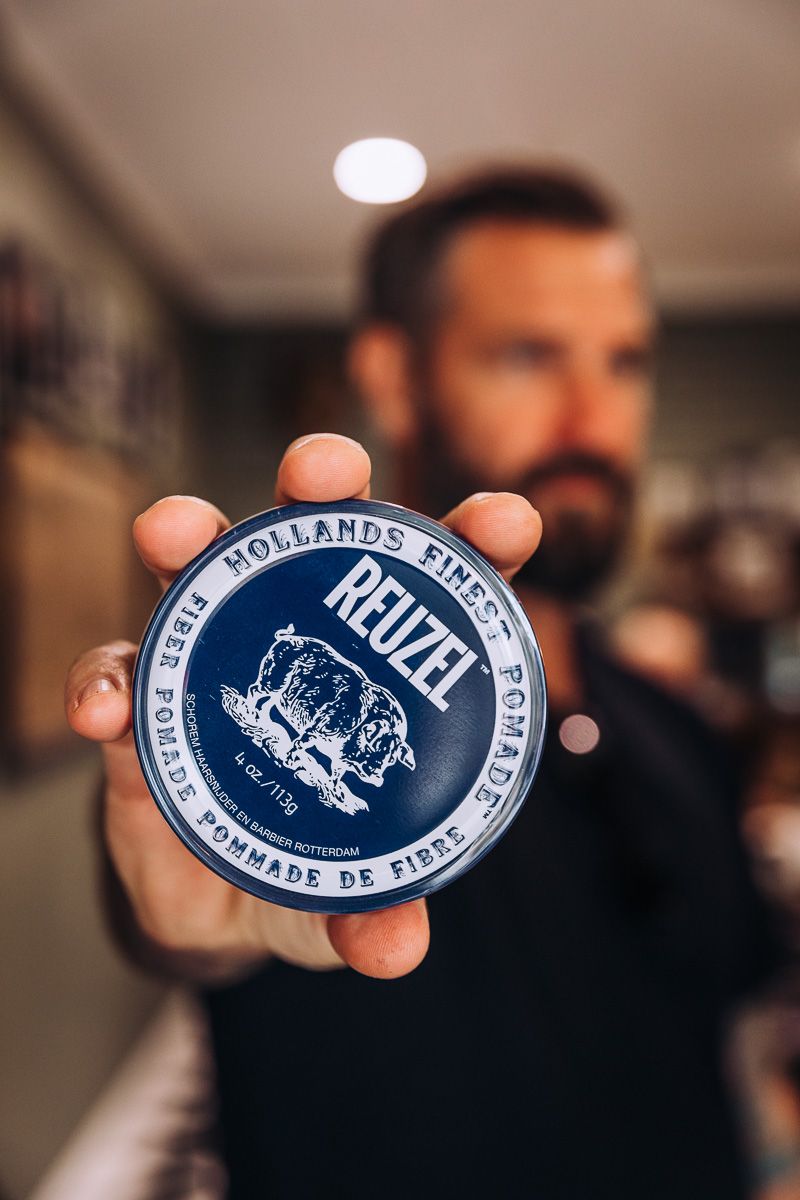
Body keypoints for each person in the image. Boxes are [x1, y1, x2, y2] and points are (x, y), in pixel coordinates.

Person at [66, 168, 779, 1199]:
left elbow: (728, 1047)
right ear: (392, 375)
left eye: (624, 362)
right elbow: (186, 927)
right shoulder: (277, 788)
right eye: (529, 354)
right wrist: (190, 916)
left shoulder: (682, 731)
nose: (593, 415)